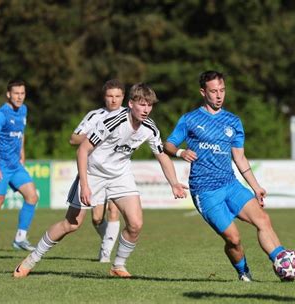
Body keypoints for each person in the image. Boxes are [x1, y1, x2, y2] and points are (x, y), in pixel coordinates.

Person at [13, 83, 187, 278]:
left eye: (149, 105)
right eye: (142, 104)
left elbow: (162, 156)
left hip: (120, 175)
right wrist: (85, 186)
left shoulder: (150, 128)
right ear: (131, 104)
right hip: (94, 173)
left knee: (136, 224)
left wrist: (174, 183)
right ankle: (31, 260)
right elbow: (82, 150)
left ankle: (118, 266)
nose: (146, 109)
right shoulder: (113, 122)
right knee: (71, 224)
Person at [164, 70, 295, 282]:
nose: (219, 95)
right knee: (234, 239)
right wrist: (180, 152)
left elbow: (240, 158)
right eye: (213, 91)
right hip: (205, 191)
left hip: (230, 184)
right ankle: (243, 272)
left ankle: (283, 264)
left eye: (222, 90)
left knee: (263, 220)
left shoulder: (233, 121)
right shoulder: (190, 120)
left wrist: (256, 186)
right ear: (203, 92)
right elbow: (167, 144)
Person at [0, 79, 38, 253]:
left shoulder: (24, 110)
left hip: (15, 165)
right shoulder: (0, 114)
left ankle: (20, 238)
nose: (19, 97)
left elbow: (21, 133)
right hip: (0, 165)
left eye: (22, 93)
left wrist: (22, 152)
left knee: (32, 197)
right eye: (16, 93)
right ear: (8, 94)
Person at [69, 79, 125, 262]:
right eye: (110, 96)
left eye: (117, 96)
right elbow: (73, 139)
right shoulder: (95, 116)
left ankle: (106, 255)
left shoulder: (129, 114)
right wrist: (97, 135)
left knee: (114, 211)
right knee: (96, 218)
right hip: (96, 171)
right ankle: (107, 242)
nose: (114, 100)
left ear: (123, 97)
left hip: (118, 171)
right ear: (104, 97)